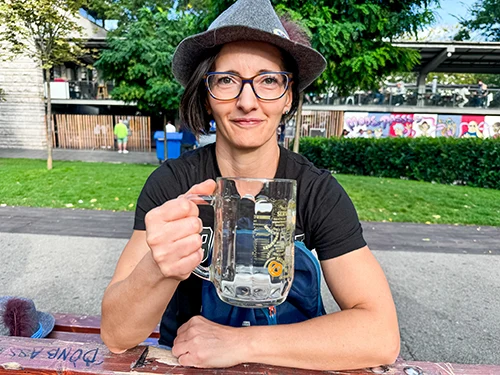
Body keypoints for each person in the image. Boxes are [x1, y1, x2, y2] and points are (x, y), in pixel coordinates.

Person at [100, 0, 400, 371]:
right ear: (207, 97)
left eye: (268, 80)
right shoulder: (173, 185)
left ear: (288, 98)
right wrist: (157, 268)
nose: (247, 101)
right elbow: (116, 335)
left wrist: (242, 344)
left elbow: (381, 335)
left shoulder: (317, 191)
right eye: (226, 80)